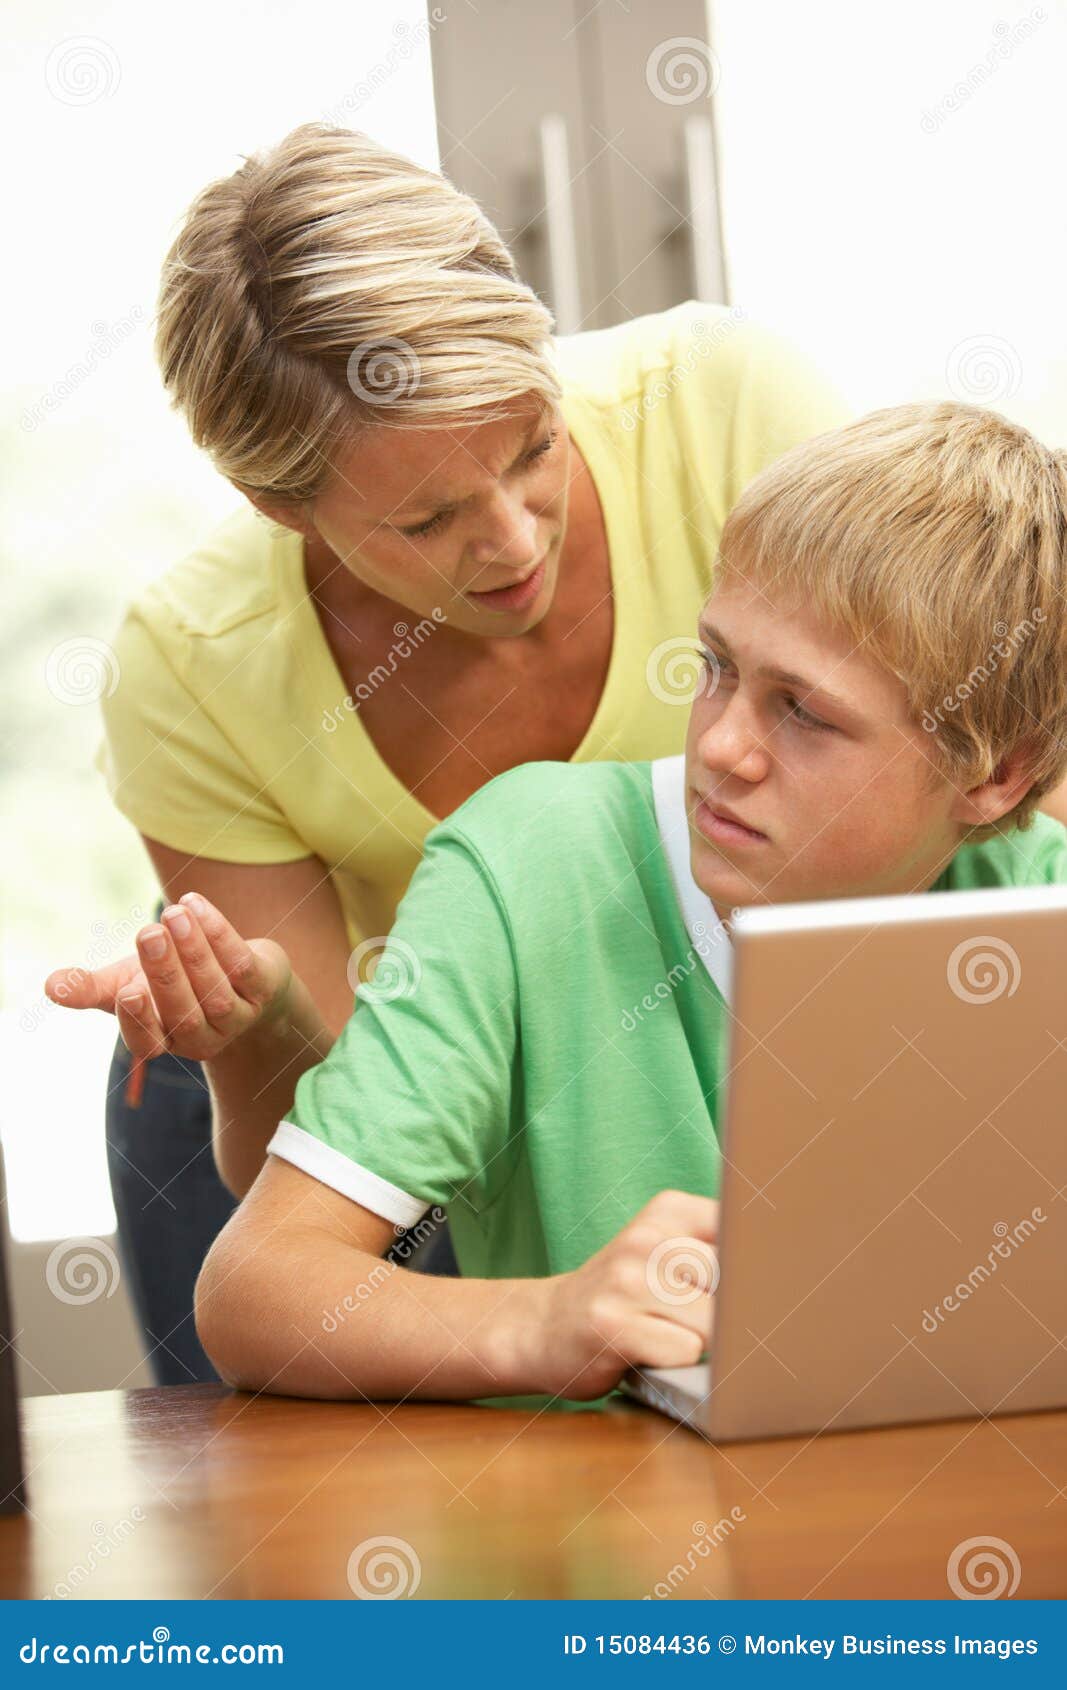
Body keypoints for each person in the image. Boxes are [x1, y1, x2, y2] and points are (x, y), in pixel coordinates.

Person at [48, 122, 859, 1385]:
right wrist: (258, 1031)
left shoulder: (725, 409)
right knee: (168, 1080)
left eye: (533, 445)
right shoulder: (194, 666)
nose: (511, 540)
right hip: (440, 1154)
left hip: (765, 1055)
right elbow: (321, 1170)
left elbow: (959, 775)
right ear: (279, 507)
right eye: (426, 518)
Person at [65, 399, 1067, 1408]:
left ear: (993, 779)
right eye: (716, 667)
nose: (719, 747)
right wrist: (547, 1317)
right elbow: (256, 1290)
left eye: (802, 712)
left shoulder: (1034, 894)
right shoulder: (527, 868)